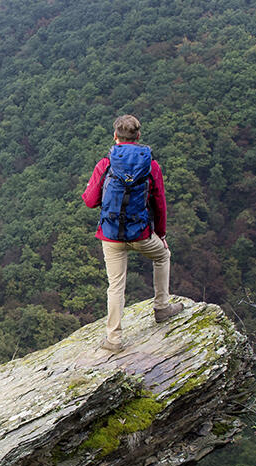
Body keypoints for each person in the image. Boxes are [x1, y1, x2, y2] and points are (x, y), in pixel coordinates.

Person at [82, 114, 183, 353]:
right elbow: (159, 203)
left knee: (115, 286)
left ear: (115, 137)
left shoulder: (105, 164)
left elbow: (89, 201)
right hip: (141, 234)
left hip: (111, 236)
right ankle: (161, 308)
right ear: (138, 136)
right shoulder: (151, 165)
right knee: (162, 257)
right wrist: (162, 234)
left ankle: (114, 340)